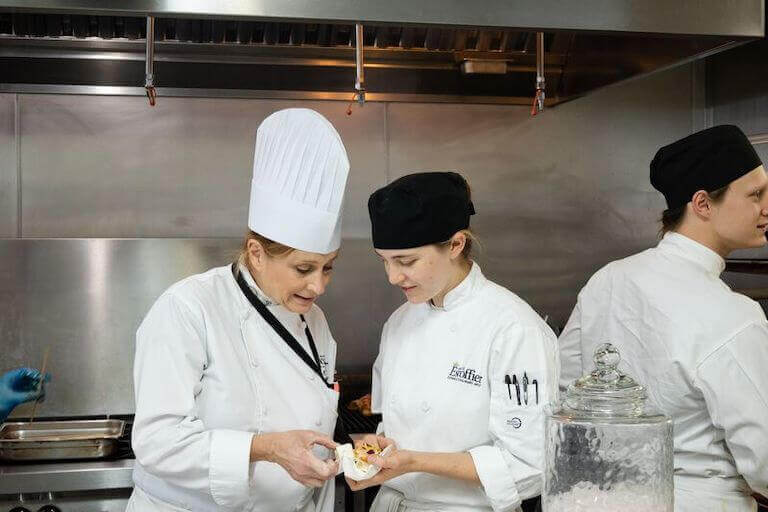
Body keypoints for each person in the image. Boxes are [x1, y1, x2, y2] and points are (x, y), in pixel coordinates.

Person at [126, 108, 350, 512]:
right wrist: (266, 449)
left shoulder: (313, 320)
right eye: (303, 268)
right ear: (257, 254)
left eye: (328, 267)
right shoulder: (189, 309)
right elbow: (156, 442)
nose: (318, 286)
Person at [559, 125, 768, 511]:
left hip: (602, 497)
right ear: (703, 204)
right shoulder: (733, 316)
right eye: (756, 194)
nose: (766, 207)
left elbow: (565, 393)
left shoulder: (607, 279)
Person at [348, 172, 559, 512]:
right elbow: (392, 422)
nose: (392, 277)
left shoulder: (513, 329)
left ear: (456, 244)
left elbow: (529, 464)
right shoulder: (398, 323)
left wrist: (415, 461)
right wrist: (378, 447)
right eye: (384, 261)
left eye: (406, 261)